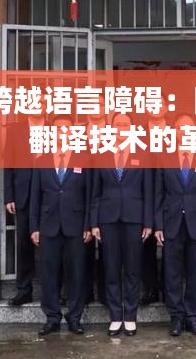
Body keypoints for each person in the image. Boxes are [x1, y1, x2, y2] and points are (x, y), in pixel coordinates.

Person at [155, 114, 196, 337]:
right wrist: (158, 225)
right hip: (171, 222)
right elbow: (158, 194)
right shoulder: (165, 156)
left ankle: (192, 316)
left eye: (189, 128)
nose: (184, 131)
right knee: (172, 272)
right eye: (180, 128)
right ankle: (176, 316)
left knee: (195, 271)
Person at [90, 113, 154, 336]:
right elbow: (95, 193)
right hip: (108, 219)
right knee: (111, 268)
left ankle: (130, 316)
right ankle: (115, 316)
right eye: (117, 125)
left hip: (134, 219)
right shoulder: (102, 153)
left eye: (125, 125)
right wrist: (94, 223)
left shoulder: (142, 154)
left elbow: (148, 192)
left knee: (133, 269)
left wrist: (148, 222)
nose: (121, 128)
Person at [29, 114, 92, 336]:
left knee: (76, 273)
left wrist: (88, 225)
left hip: (76, 226)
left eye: (67, 129)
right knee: (49, 274)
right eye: (58, 129)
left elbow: (89, 196)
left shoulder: (83, 159)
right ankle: (52, 317)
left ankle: (74, 317)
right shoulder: (41, 160)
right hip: (48, 226)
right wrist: (34, 227)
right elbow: (35, 197)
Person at [3, 103, 46, 306]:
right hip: (24, 194)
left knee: (51, 245)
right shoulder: (15, 131)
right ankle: (24, 290)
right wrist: (9, 196)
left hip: (49, 194)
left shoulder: (53, 129)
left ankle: (53, 291)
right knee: (23, 244)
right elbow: (8, 164)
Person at [138, 96, 171, 305]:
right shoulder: (138, 132)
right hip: (143, 194)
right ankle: (150, 289)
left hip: (170, 195)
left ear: (166, 108)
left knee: (170, 244)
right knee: (146, 245)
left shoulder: (175, 132)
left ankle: (169, 290)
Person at [83, 99, 108, 305]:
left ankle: (104, 293)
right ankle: (86, 291)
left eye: (100, 105)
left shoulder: (114, 132)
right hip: (81, 192)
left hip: (105, 193)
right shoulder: (78, 133)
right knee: (84, 247)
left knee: (106, 248)